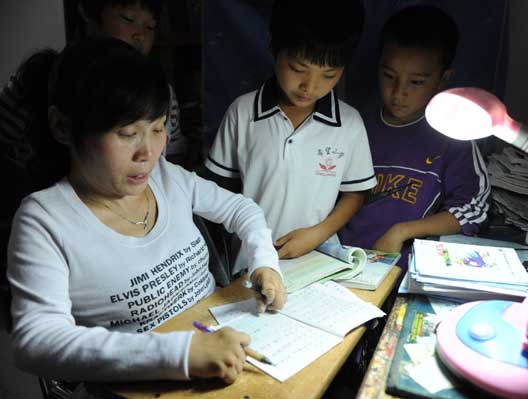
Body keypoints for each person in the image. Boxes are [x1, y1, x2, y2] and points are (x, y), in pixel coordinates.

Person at [6, 37, 286, 384]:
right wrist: (181, 352)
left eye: (157, 129)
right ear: (63, 127)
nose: (148, 153)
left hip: (225, 348)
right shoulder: (44, 220)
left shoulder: (167, 177)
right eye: (127, 134)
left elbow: (243, 210)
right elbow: (37, 342)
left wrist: (264, 264)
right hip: (149, 383)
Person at [204, 0, 376, 265]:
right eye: (298, 69)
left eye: (328, 75)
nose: (310, 86)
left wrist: (317, 234)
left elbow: (355, 194)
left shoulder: (349, 124)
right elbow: (218, 192)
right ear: (273, 44)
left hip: (318, 257)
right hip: (251, 261)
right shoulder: (242, 112)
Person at [338, 6, 490, 267]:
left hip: (403, 268)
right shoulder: (355, 126)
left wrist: (402, 231)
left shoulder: (453, 136)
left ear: (443, 79)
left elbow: (474, 209)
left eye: (416, 82)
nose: (399, 92)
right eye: (389, 76)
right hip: (340, 260)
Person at [76, 0, 188, 163]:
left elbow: (174, 152)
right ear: (91, 18)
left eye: (150, 27)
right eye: (128, 19)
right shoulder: (78, 84)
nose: (140, 35)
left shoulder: (161, 89)